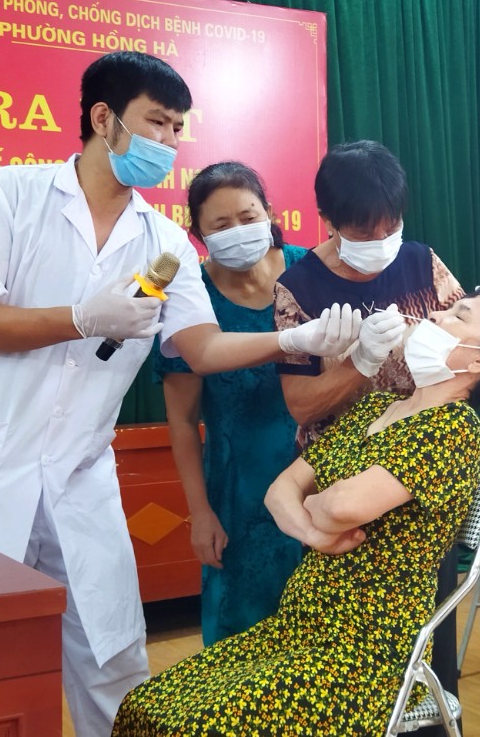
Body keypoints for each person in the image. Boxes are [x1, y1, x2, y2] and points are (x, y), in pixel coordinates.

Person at [0, 52, 359, 736]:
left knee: (113, 652)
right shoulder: (7, 195)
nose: (169, 143)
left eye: (178, 129)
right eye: (157, 122)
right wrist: (81, 317)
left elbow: (203, 349)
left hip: (79, 475)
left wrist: (290, 339)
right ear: (103, 118)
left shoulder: (161, 241)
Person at [112, 288, 480, 736]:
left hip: (363, 653)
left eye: (458, 316)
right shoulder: (377, 406)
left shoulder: (453, 428)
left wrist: (314, 506)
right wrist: (317, 532)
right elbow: (279, 491)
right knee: (145, 708)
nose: (435, 316)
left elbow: (341, 506)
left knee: (193, 728)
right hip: (297, 627)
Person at [272, 140, 480, 722]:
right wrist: (358, 365)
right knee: (326, 636)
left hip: (407, 485)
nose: (381, 239)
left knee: (420, 648)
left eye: (391, 225)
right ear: (329, 219)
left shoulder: (422, 264)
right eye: (363, 230)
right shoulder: (301, 288)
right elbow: (301, 408)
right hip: (340, 460)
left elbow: (476, 343)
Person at [154, 161, 308, 646]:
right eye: (220, 225)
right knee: (243, 640)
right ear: (198, 235)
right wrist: (200, 513)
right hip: (238, 496)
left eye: (247, 216)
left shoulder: (311, 270)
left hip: (323, 481)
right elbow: (182, 421)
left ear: (269, 213)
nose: (238, 230)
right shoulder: (190, 296)